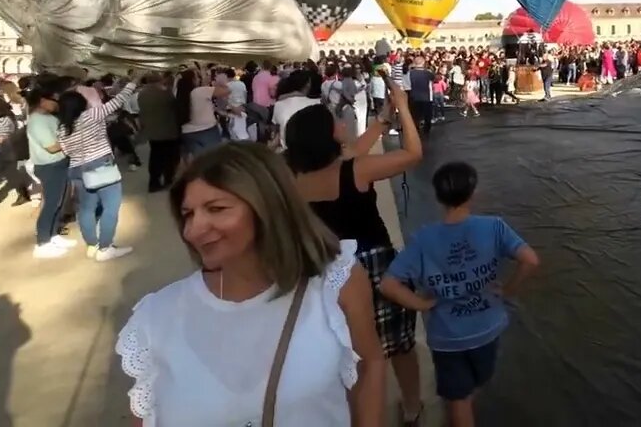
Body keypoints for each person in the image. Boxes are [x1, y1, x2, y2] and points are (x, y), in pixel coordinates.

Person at [115, 143, 386, 426]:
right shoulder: (156, 318)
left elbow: (369, 364)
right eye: (188, 214)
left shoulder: (335, 283)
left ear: (267, 206)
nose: (194, 230)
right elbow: (146, 416)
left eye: (216, 208)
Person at [285, 76, 426, 426]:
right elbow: (413, 154)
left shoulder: (294, 176)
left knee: (352, 349)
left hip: (329, 270)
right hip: (375, 267)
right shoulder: (355, 171)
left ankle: (355, 412)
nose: (342, 122)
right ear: (327, 134)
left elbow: (354, 152)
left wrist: (381, 119)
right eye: (335, 120)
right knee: (400, 344)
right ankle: (411, 407)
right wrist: (404, 110)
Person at [380, 162, 540, 427]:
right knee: (472, 388)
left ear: (438, 197)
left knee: (459, 399)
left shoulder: (424, 239)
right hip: (488, 329)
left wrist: (420, 304)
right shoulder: (494, 227)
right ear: (472, 192)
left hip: (448, 337)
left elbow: (388, 284)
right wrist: (508, 290)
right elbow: (531, 260)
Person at [56, 80, 137, 261]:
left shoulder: (62, 128)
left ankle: (92, 244)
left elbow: (66, 151)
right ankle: (105, 248)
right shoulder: (92, 115)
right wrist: (131, 84)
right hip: (101, 164)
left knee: (85, 209)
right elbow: (118, 101)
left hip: (76, 169)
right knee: (111, 207)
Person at [25, 85, 76, 258]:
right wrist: (73, 141)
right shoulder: (37, 120)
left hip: (59, 163)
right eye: (53, 99)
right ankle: (42, 242)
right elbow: (52, 147)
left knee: (59, 203)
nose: (57, 103)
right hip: (49, 166)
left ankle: (53, 235)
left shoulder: (49, 118)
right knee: (51, 205)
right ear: (42, 101)